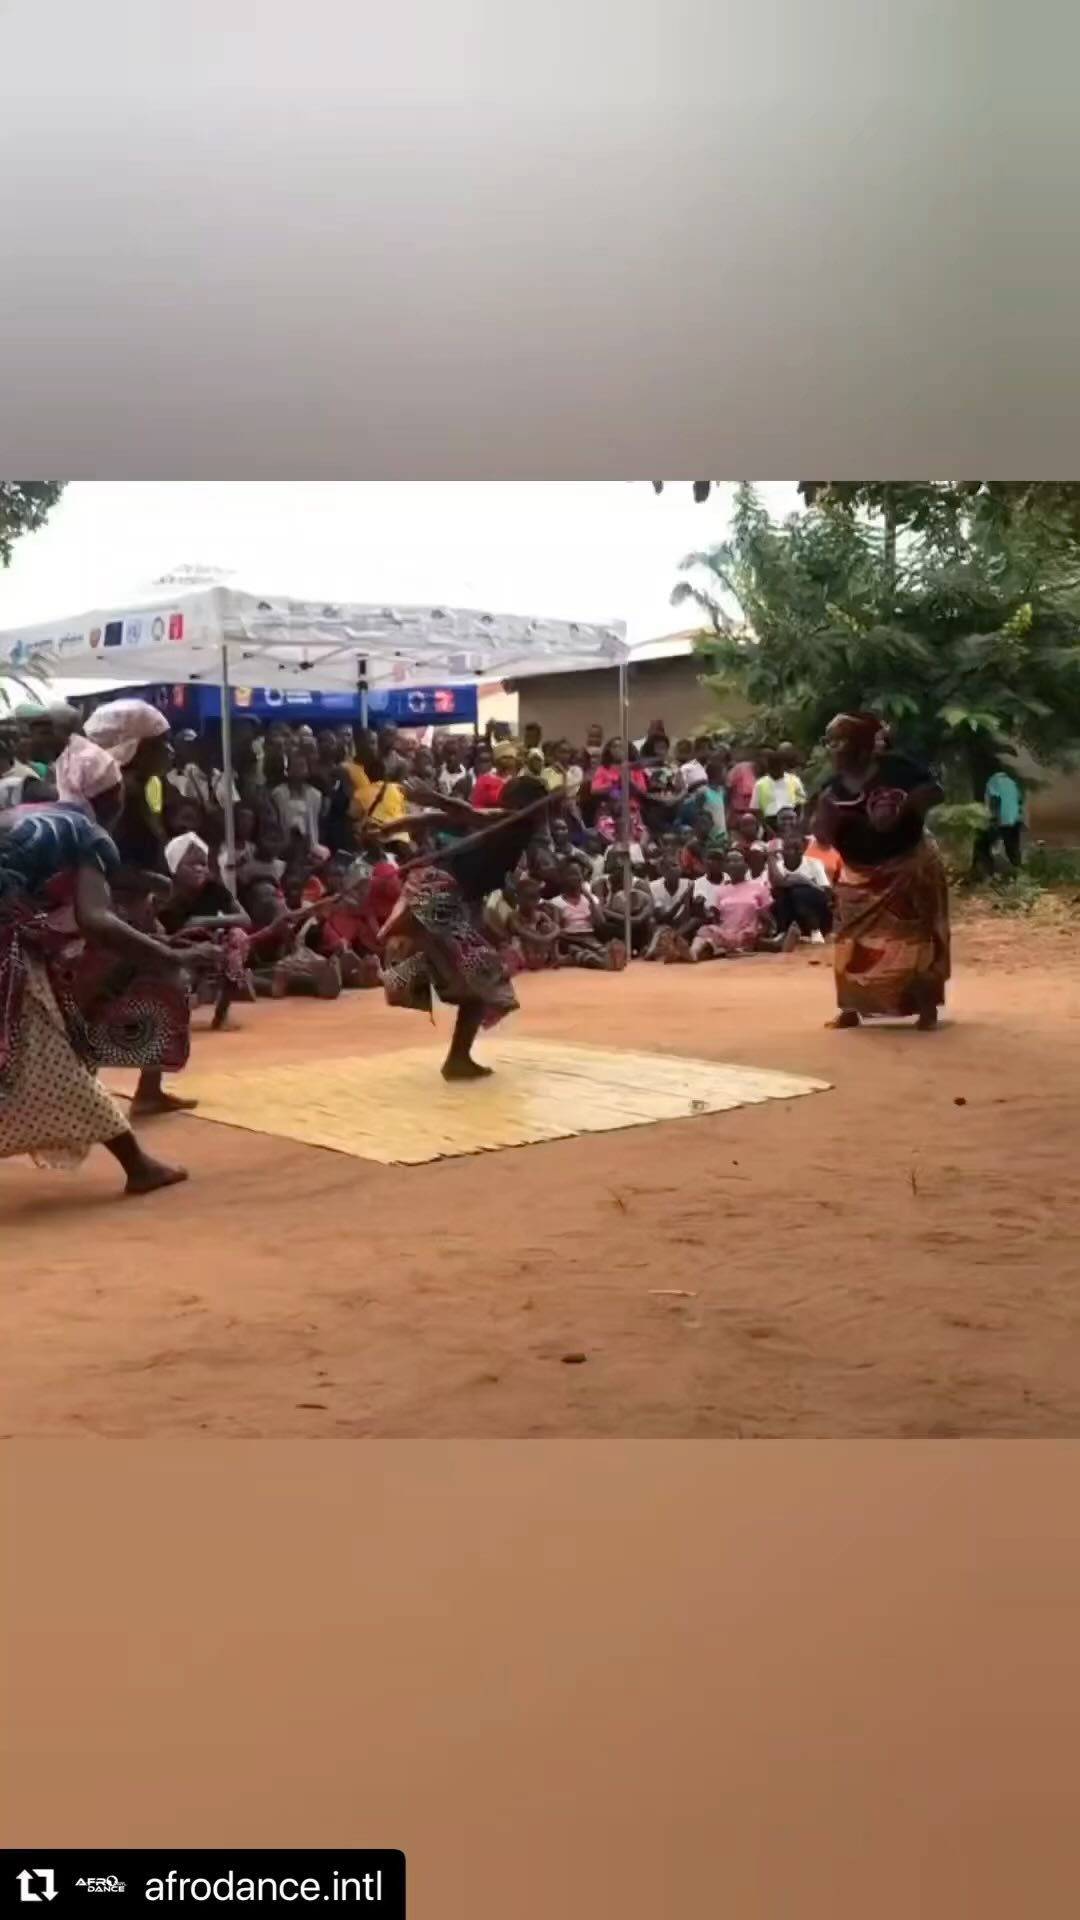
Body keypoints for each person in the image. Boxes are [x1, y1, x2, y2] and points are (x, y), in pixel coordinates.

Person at [0, 736, 195, 1194]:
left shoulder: (33, 814)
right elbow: (96, 918)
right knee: (51, 1058)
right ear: (114, 796)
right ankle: (138, 1164)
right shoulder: (89, 833)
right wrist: (167, 956)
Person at [378, 774, 563, 1078]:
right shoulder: (511, 819)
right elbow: (465, 812)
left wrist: (396, 825)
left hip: (445, 896)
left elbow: (445, 818)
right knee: (486, 980)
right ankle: (408, 955)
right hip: (440, 894)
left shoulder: (519, 829)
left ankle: (457, 1057)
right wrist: (431, 799)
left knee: (478, 981)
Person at [84, 697, 198, 1116]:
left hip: (133, 908)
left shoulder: (130, 790)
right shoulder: (119, 794)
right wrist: (148, 880)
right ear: (137, 747)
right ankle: (87, 1090)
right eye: (161, 744)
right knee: (110, 995)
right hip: (117, 911)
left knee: (151, 990)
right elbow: (99, 859)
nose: (169, 753)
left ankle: (146, 1086)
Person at [815, 712, 949, 1031]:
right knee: (850, 939)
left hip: (908, 864)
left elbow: (935, 792)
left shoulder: (897, 768)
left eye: (838, 739)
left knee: (917, 938)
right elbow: (821, 833)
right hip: (858, 874)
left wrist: (906, 805)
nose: (832, 747)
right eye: (828, 740)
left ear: (861, 744)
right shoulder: (831, 786)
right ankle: (851, 1006)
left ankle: (925, 1006)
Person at [158, 833, 252, 1030]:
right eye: (192, 864)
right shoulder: (165, 894)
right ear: (175, 867)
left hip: (210, 946)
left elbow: (244, 919)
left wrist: (202, 921)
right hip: (174, 951)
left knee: (237, 938)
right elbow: (161, 934)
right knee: (181, 976)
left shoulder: (213, 888)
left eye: (203, 864)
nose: (200, 869)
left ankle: (222, 1014)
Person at [689, 848, 784, 960]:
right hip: (726, 933)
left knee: (745, 938)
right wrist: (708, 913)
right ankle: (691, 954)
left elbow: (768, 919)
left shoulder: (759, 888)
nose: (733, 864)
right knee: (704, 933)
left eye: (737, 860)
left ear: (745, 866)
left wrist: (763, 931)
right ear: (725, 867)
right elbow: (716, 919)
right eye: (729, 861)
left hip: (748, 933)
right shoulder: (720, 891)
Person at [549, 861, 627, 970]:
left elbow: (601, 922)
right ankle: (603, 964)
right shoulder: (556, 902)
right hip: (568, 938)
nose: (575, 878)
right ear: (563, 878)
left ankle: (610, 959)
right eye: (571, 874)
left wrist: (589, 898)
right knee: (578, 951)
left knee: (600, 950)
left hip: (589, 936)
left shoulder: (592, 899)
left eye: (578, 874)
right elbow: (556, 930)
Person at [767, 834, 833, 945]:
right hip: (791, 911)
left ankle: (815, 930)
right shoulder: (778, 865)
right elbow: (778, 882)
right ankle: (783, 932)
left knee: (799, 892)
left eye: (797, 848)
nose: (792, 851)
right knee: (781, 893)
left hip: (816, 911)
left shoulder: (814, 863)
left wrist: (807, 884)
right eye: (787, 848)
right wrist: (771, 857)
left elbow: (825, 891)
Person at [971, 765, 1025, 877]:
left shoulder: (993, 781)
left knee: (981, 845)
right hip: (1015, 821)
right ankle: (1019, 874)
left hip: (1001, 820)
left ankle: (988, 873)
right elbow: (1020, 800)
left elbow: (996, 799)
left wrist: (994, 819)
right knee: (1013, 848)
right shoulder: (1012, 782)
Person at [270, 752, 325, 851]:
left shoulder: (315, 795)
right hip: (284, 847)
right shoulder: (278, 794)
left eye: (302, 766)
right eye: (296, 766)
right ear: (288, 770)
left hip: (310, 847)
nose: (299, 770)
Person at [752, 749, 807, 826]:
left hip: (791, 822)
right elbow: (756, 810)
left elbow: (801, 805)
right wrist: (767, 828)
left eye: (779, 766)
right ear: (769, 767)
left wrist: (797, 823)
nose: (776, 770)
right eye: (773, 767)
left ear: (783, 766)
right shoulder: (760, 784)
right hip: (770, 824)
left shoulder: (794, 781)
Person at [469, 745, 507, 810]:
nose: (483, 765)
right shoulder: (467, 779)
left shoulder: (499, 777)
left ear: (492, 762)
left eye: (487, 761)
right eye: (481, 760)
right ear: (474, 760)